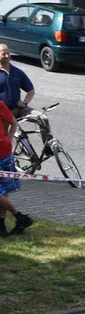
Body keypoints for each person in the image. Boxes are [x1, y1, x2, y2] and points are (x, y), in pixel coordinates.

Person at [0, 100, 32, 236]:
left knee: (2, 193)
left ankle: (21, 217)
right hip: (5, 151)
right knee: (3, 192)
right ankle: (1, 227)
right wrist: (9, 139)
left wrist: (9, 138)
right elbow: (13, 122)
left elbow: (13, 123)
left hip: (4, 152)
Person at [0, 44, 33, 116]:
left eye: (8, 53)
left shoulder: (17, 72)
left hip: (17, 109)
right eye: (3, 54)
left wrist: (25, 103)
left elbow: (31, 90)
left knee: (42, 119)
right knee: (9, 125)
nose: (7, 56)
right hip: (2, 112)